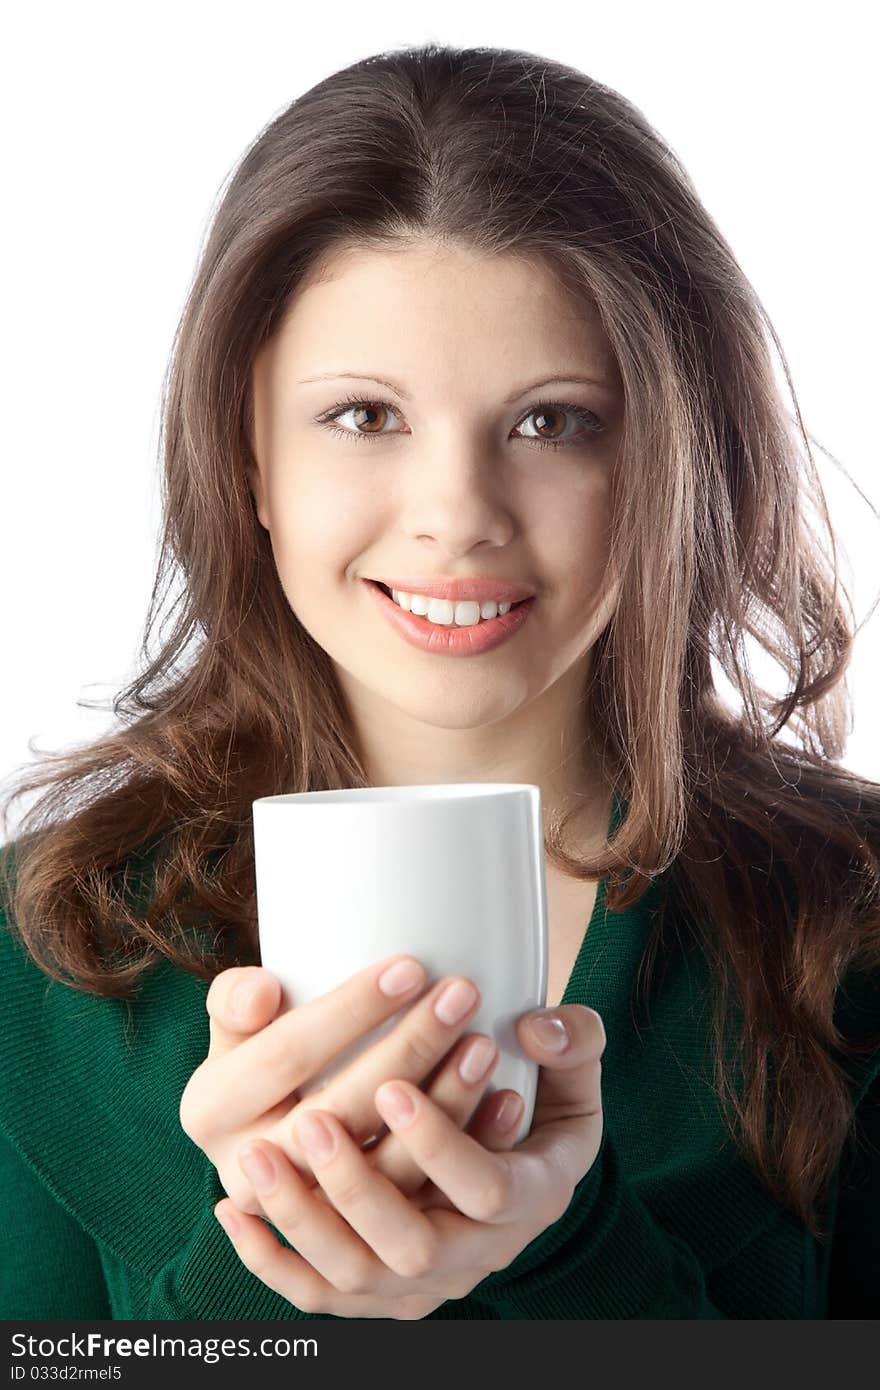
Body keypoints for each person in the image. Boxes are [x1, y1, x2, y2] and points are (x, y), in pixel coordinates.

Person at [1, 41, 878, 1322]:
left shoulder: (853, 926)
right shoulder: (42, 969)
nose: (456, 517)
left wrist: (563, 1250)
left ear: (670, 459)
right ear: (245, 455)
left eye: (550, 420)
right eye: (364, 416)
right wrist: (267, 1285)